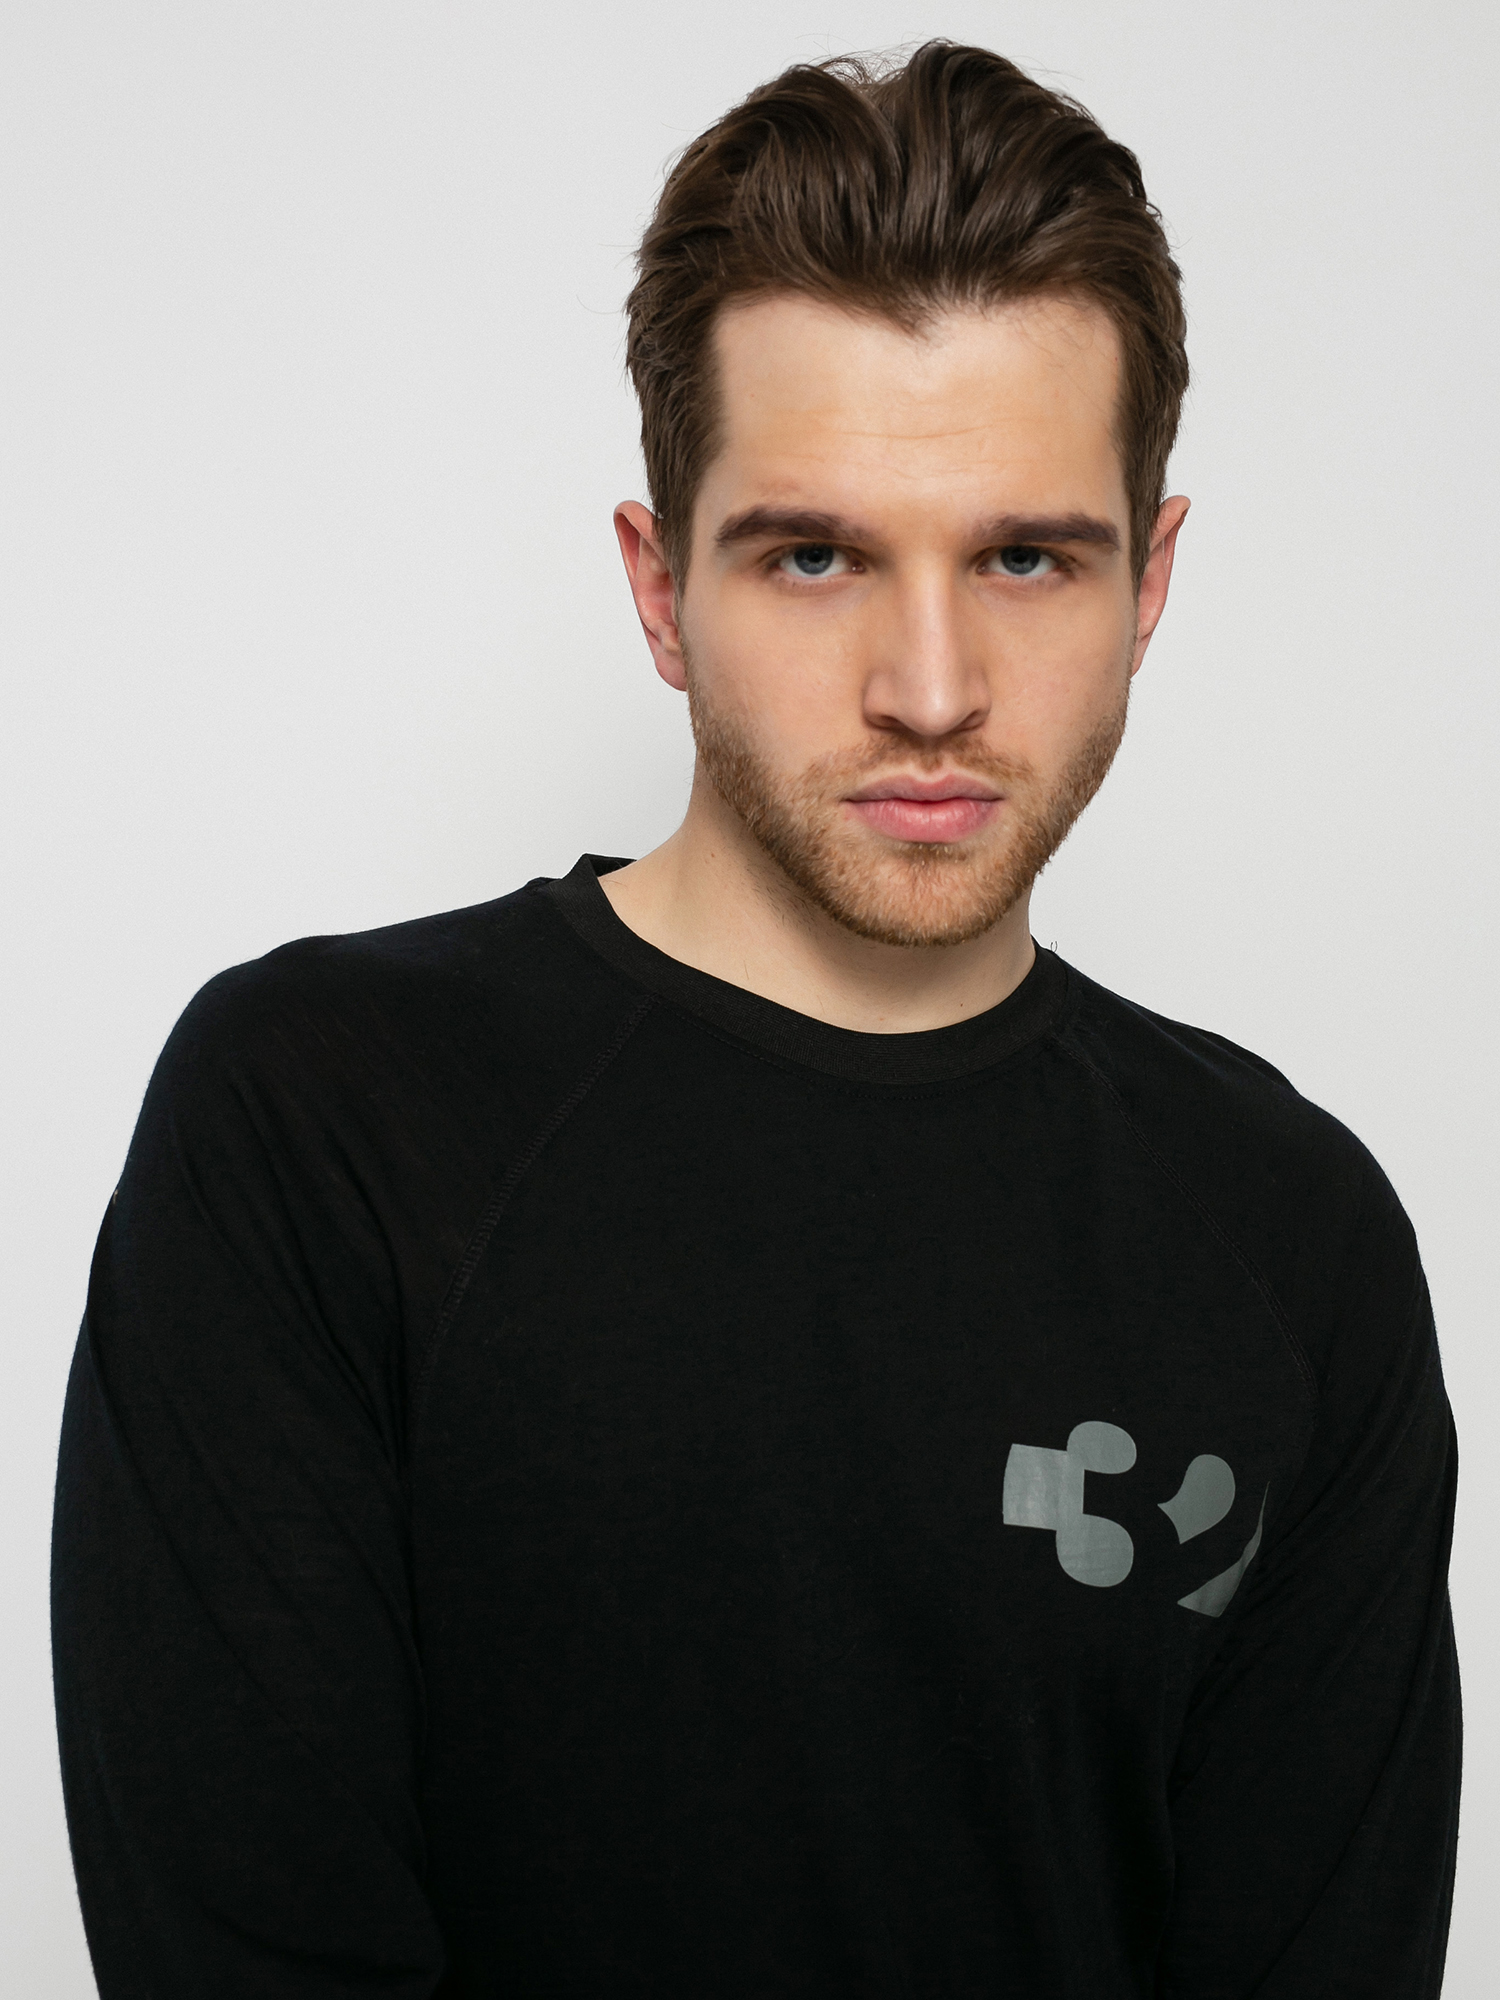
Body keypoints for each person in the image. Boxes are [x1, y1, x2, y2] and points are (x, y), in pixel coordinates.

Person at [52, 41, 1460, 1999]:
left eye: (1026, 557)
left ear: (1148, 583)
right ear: (661, 591)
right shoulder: (318, 1123)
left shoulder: (1296, 1239)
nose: (931, 687)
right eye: (815, 555)